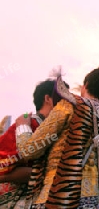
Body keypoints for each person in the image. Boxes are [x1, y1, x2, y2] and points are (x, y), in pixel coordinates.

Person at [14, 66, 99, 209]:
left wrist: (22, 126)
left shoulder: (69, 106)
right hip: (93, 199)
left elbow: (29, 150)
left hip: (58, 196)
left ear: (85, 85)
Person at [0, 79, 68, 209]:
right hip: (18, 198)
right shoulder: (28, 124)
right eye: (63, 96)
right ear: (48, 98)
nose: (69, 101)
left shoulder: (63, 127)